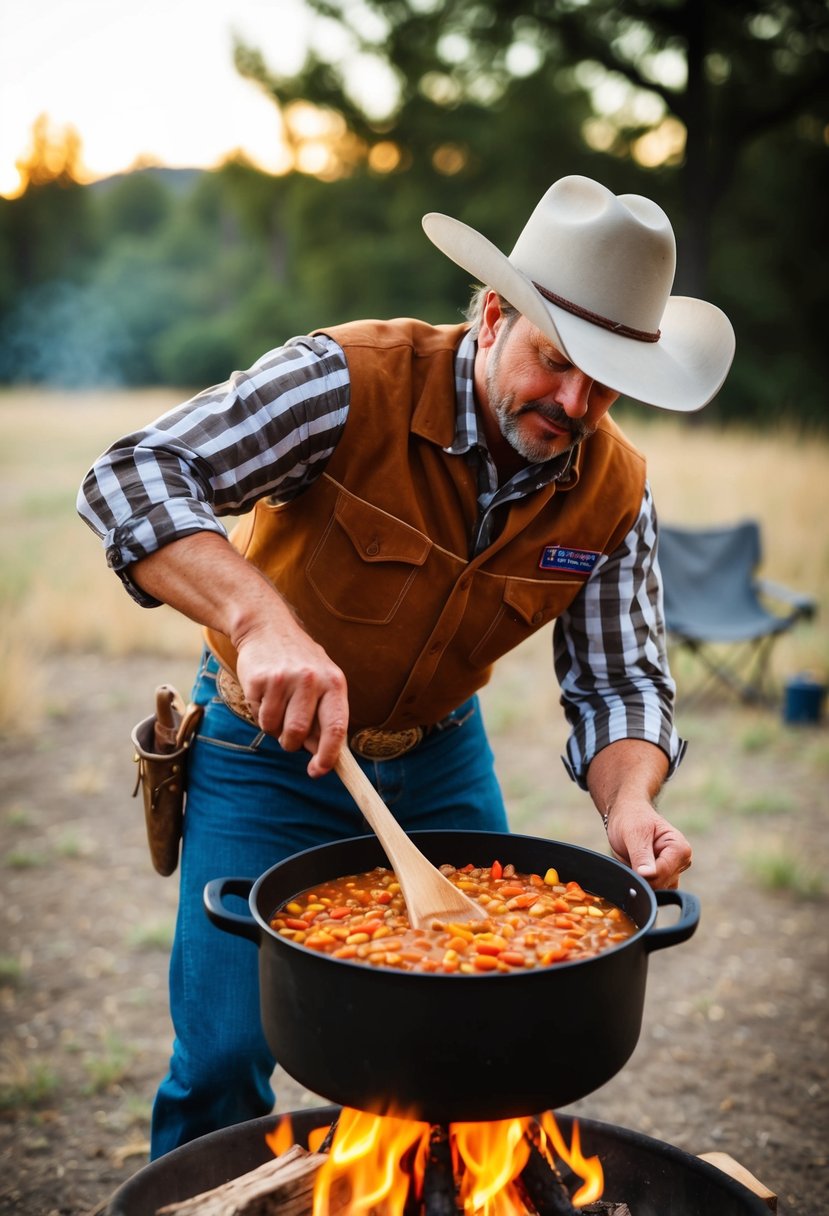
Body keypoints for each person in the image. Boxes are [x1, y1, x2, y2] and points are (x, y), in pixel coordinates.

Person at [77, 174, 735, 1158]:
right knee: (221, 1052)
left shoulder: (615, 492)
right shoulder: (347, 381)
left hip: (438, 757)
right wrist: (259, 619)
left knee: (479, 1037)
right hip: (264, 748)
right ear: (495, 313)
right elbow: (128, 476)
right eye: (558, 364)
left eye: (607, 384)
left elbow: (620, 681)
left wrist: (630, 802)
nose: (576, 404)